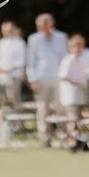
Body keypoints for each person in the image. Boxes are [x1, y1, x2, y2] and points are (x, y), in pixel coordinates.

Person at [27, 13, 69, 147]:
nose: (42, 29)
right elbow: (31, 61)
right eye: (40, 26)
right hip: (41, 78)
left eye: (45, 26)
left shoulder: (61, 37)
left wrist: (65, 78)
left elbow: (65, 58)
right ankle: (45, 139)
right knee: (42, 110)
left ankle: (64, 137)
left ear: (51, 25)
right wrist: (32, 79)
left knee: (61, 109)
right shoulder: (34, 39)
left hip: (59, 78)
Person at [58, 34, 89, 151]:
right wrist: (79, 83)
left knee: (78, 119)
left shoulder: (84, 58)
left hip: (80, 96)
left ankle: (79, 141)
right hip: (70, 96)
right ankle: (72, 142)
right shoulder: (68, 60)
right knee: (73, 119)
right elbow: (63, 77)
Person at [0, 20, 26, 113]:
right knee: (2, 100)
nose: (7, 32)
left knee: (13, 99)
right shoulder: (0, 43)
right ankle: (4, 123)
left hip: (14, 76)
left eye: (9, 30)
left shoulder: (19, 43)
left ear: (13, 30)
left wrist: (7, 70)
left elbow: (21, 61)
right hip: (0, 77)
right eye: (5, 30)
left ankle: (16, 123)